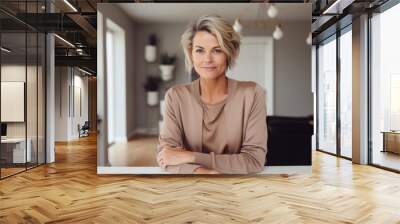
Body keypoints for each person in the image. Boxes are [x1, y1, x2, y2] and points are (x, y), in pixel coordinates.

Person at [157, 15, 267, 174]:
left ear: (230, 53)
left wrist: (191, 157)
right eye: (200, 50)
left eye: (217, 50)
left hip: (239, 187)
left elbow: (254, 161)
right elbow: (166, 157)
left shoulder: (252, 94)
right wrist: (204, 173)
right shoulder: (175, 97)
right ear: (191, 53)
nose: (207, 59)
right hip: (190, 186)